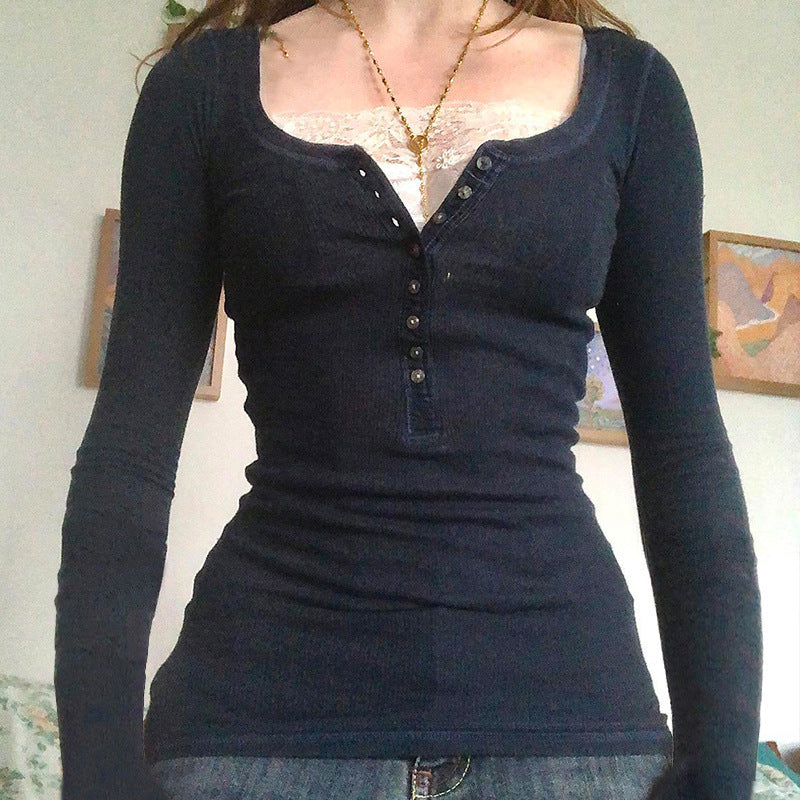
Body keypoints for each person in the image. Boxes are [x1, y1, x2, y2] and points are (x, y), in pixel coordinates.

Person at [53, 0, 763, 798]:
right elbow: (130, 449)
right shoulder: (200, 90)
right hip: (252, 730)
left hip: (574, 733)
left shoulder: (632, 92)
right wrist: (100, 771)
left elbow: (683, 452)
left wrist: (720, 772)